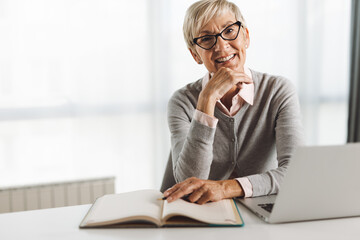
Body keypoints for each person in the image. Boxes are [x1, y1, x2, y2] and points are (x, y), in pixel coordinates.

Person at [163, 0, 304, 204]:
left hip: (261, 210)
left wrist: (227, 187)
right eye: (206, 39)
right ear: (195, 55)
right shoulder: (182, 101)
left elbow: (295, 172)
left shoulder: (278, 91)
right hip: (202, 216)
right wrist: (206, 100)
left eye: (229, 31)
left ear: (246, 37)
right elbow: (188, 182)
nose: (221, 46)